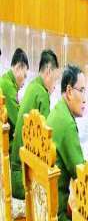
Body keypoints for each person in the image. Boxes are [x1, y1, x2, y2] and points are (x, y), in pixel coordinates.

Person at [11, 49, 59, 199]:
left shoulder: (32, 86)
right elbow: (48, 142)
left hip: (14, 173)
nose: (55, 86)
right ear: (48, 71)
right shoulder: (42, 95)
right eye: (55, 79)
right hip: (23, 182)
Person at [47, 65, 86, 221]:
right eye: (82, 90)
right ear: (69, 91)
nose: (85, 99)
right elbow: (82, 177)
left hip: (44, 216)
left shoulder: (57, 111)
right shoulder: (67, 125)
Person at [1, 48, 29, 144]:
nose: (24, 82)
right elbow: (18, 122)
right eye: (24, 76)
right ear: (18, 68)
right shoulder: (8, 86)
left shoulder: (6, 80)